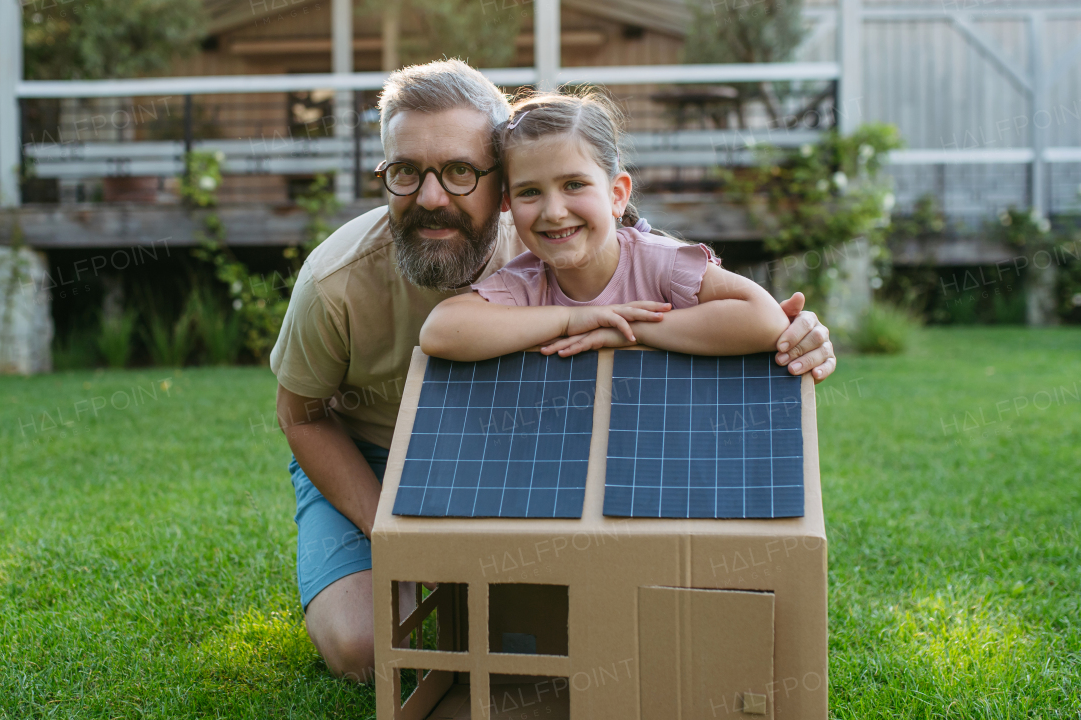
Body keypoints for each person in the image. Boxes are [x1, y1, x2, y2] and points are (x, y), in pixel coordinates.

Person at [269, 59, 838, 682]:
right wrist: (390, 531)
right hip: (371, 455)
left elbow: (681, 282)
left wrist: (796, 334)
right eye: (406, 172)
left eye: (459, 171)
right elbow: (301, 419)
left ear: (499, 181)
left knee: (552, 629)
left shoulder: (551, 237)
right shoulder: (334, 281)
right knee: (364, 647)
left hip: (508, 447)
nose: (431, 197)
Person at [421, 90, 789, 360]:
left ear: (617, 194)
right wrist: (572, 319)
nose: (554, 211)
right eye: (530, 191)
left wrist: (626, 331)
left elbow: (765, 318)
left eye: (574, 185)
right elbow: (441, 332)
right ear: (507, 204)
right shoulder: (525, 284)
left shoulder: (661, 264)